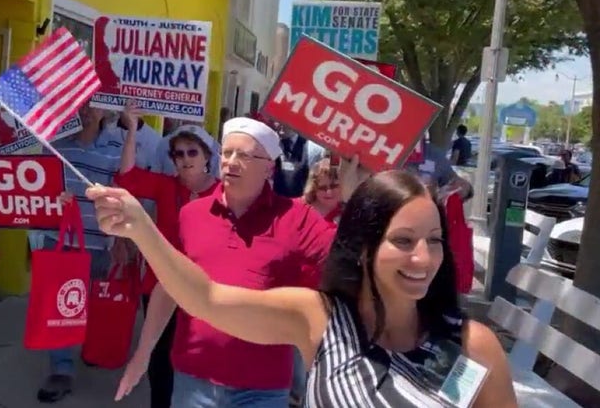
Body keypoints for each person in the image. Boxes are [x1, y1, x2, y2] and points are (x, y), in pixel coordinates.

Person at [86, 169, 518, 408]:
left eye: (434, 241)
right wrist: (141, 229)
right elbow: (207, 298)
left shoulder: (471, 348)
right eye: (402, 241)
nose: (423, 258)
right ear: (364, 248)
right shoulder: (319, 318)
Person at [112, 116, 337, 407]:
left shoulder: (297, 218)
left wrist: (357, 191)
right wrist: (142, 355)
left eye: (243, 155)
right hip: (192, 381)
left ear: (269, 166)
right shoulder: (192, 215)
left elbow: (348, 261)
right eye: (227, 153)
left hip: (262, 388)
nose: (230, 162)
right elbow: (169, 287)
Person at [115, 119, 220, 408]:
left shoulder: (224, 193)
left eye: (192, 152)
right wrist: (133, 130)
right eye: (178, 153)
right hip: (159, 285)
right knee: (160, 358)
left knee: (197, 359)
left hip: (204, 289)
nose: (185, 159)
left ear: (207, 156)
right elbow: (126, 176)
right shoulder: (165, 186)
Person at [31, 101, 129, 403]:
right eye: (81, 105)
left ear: (105, 111)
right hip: (60, 238)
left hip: (99, 242)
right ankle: (61, 371)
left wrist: (122, 240)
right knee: (60, 309)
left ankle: (92, 350)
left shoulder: (117, 145)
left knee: (92, 308)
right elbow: (42, 186)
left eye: (93, 105)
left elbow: (124, 189)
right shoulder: (55, 142)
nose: (86, 111)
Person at [406, 141, 473, 200]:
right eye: (462, 184)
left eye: (458, 192)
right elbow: (420, 146)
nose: (457, 186)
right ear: (462, 178)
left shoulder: (432, 194)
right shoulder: (442, 162)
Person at [301, 159, 344, 225]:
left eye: (334, 186)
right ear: (313, 188)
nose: (329, 192)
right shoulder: (302, 209)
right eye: (322, 188)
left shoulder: (349, 213)